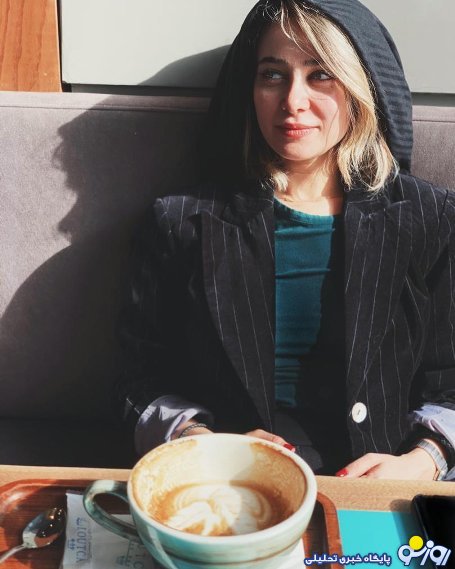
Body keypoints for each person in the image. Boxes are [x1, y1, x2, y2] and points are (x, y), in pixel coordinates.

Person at [118, 0, 455, 480]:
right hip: (230, 486)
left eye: (321, 75)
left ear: (360, 86)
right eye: (273, 75)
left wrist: (422, 463)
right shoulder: (181, 223)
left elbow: (450, 382)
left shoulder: (432, 219)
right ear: (249, 89)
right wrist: (200, 443)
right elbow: (137, 380)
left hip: (384, 490)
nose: (293, 100)